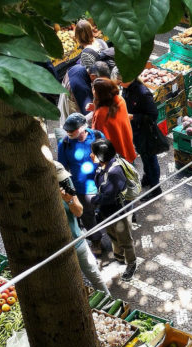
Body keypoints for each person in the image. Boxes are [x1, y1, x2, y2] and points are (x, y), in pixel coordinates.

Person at [51, 161, 110, 294]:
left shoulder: (65, 182)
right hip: (56, 249)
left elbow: (79, 212)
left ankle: (110, 302)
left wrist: (69, 200)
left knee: (95, 276)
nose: (63, 180)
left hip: (76, 240)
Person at [90, 138, 138, 281]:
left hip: (119, 212)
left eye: (93, 153)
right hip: (109, 211)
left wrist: (93, 201)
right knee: (112, 234)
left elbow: (108, 196)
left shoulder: (114, 172)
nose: (90, 155)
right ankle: (119, 257)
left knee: (125, 239)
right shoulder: (103, 167)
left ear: (101, 156)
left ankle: (131, 263)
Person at [58, 112, 106, 254]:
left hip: (101, 183)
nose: (69, 132)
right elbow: (62, 169)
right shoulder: (64, 144)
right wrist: (69, 193)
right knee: (87, 215)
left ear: (83, 127)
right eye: (67, 130)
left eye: (72, 129)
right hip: (82, 189)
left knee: (107, 210)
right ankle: (96, 241)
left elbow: (107, 155)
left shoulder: (97, 136)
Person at [119, 71, 165, 197]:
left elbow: (153, 115)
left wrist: (133, 117)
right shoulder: (126, 89)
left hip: (146, 132)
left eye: (120, 80)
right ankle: (147, 177)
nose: (119, 83)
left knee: (151, 159)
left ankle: (155, 188)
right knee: (144, 156)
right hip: (136, 131)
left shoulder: (142, 93)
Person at [91, 77, 136, 162]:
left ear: (101, 94)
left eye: (94, 89)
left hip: (114, 152)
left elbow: (98, 135)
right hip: (126, 142)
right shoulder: (120, 99)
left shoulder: (101, 113)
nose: (92, 90)